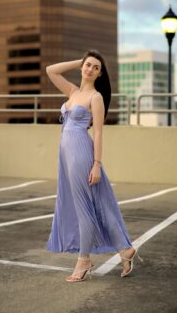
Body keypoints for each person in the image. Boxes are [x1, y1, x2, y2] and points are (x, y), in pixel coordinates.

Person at [46, 52, 142, 282]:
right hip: (66, 155)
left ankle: (84, 261)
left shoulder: (95, 97)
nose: (89, 69)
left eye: (95, 67)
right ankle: (125, 249)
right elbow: (51, 70)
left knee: (84, 209)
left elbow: (98, 132)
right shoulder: (72, 91)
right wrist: (79, 61)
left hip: (81, 153)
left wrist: (96, 164)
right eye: (87, 65)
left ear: (99, 74)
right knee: (96, 204)